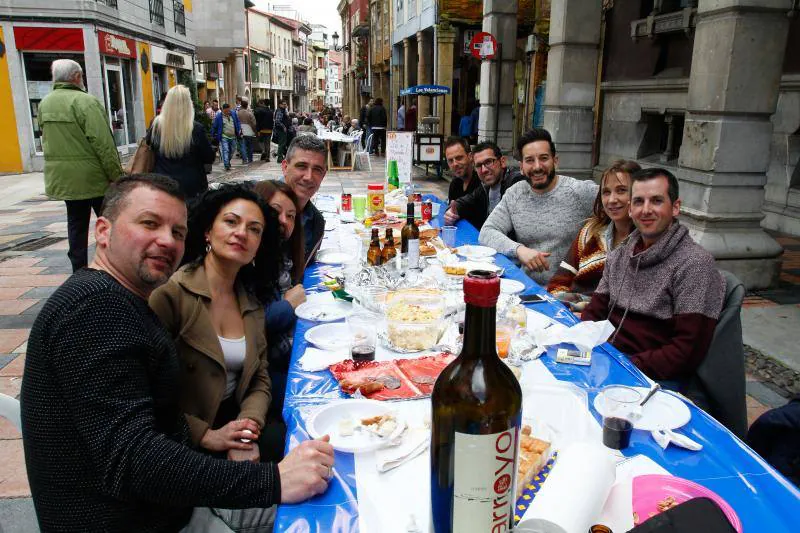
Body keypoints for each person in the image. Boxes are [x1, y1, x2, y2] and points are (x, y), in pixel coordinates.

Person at [21, 174, 335, 532]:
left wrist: (241, 439)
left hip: (171, 499)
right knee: (323, 511)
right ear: (103, 231)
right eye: (149, 223)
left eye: (177, 231)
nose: (166, 241)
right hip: (148, 519)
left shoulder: (123, 301)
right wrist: (273, 481)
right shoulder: (95, 307)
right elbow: (136, 459)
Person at [150, 183, 282, 466]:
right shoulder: (171, 295)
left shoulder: (251, 301)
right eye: (231, 221)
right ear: (208, 231)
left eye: (254, 229)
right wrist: (206, 435)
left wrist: (246, 430)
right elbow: (148, 392)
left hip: (235, 416)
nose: (241, 233)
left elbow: (259, 377)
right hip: (182, 434)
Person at [582, 168, 725, 384]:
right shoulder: (620, 253)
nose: (646, 210)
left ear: (675, 207)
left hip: (654, 378)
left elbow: (686, 351)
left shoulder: (694, 264)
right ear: (630, 209)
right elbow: (594, 312)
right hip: (609, 360)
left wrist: (623, 367)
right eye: (639, 202)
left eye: (656, 201)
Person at [478, 128, 598, 285]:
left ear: (555, 161)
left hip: (568, 295)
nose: (537, 167)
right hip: (527, 287)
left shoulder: (579, 192)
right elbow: (486, 233)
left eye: (544, 158)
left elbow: (621, 204)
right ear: (521, 167)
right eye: (529, 160)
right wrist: (519, 250)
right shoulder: (515, 193)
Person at [38, 59, 123, 272]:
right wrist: (116, 175)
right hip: (93, 177)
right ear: (77, 77)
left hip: (66, 178)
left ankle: (79, 269)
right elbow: (103, 143)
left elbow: (45, 140)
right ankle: (113, 264)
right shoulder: (86, 102)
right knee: (109, 221)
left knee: (76, 224)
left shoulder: (45, 103)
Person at [547, 160, 641, 311]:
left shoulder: (645, 243)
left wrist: (585, 314)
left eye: (621, 190)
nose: (612, 200)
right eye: (606, 192)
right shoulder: (591, 231)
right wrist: (561, 310)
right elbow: (559, 281)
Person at [253, 180, 307, 429]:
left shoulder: (282, 256)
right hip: (262, 375)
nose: (284, 221)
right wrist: (288, 305)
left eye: (291, 215)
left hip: (283, 358)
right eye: (275, 212)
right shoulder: (247, 263)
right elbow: (246, 328)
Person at [147, 85, 216, 199]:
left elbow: (151, 149)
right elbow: (209, 157)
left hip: (162, 185)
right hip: (191, 188)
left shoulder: (156, 125)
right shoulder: (195, 129)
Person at [444, 140, 526, 230]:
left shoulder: (515, 183)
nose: (484, 170)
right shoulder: (485, 187)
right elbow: (465, 202)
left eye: (488, 162)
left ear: (502, 162)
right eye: (479, 165)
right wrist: (452, 211)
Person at [281, 135, 327, 261]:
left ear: (323, 175)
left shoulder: (316, 223)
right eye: (301, 166)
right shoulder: (257, 205)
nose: (308, 177)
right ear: (285, 167)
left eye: (317, 170)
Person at [444, 136, 480, 204]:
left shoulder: (481, 184)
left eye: (459, 158)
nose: (455, 164)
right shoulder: (454, 184)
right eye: (450, 160)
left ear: (470, 157)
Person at [212, 103, 242, 171]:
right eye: (226, 111)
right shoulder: (219, 116)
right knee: (226, 150)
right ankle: (226, 165)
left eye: (228, 110)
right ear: (223, 110)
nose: (228, 112)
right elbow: (215, 126)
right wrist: (213, 134)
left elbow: (237, 122)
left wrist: (239, 129)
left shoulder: (233, 113)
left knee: (232, 150)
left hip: (233, 136)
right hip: (224, 136)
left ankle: (227, 161)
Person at [237, 100, 257, 164]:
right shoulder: (250, 113)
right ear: (247, 105)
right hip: (249, 131)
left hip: (241, 131)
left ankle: (244, 159)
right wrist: (255, 131)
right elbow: (254, 123)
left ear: (241, 105)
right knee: (250, 146)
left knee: (243, 146)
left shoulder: (238, 113)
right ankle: (250, 159)